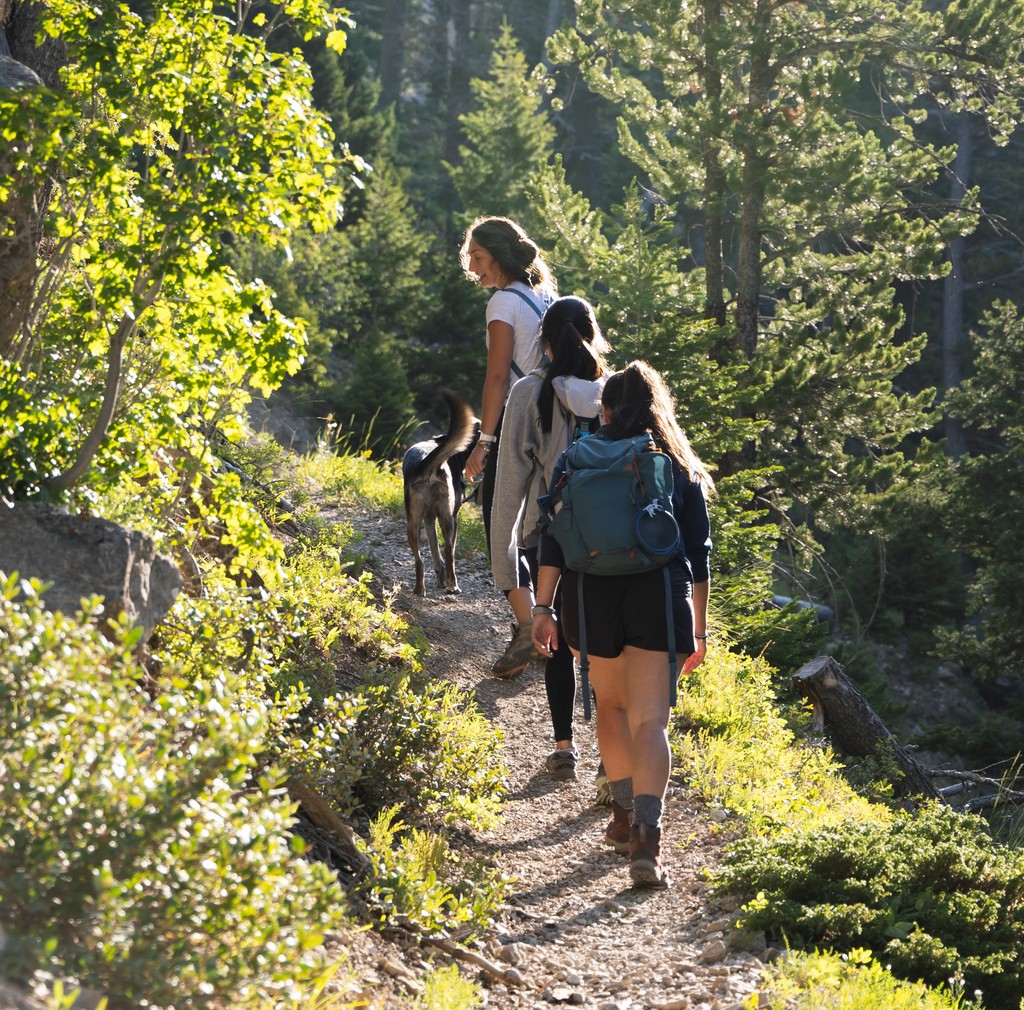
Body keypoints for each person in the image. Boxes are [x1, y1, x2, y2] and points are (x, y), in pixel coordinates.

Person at [531, 361, 713, 887]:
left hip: (590, 597)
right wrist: (698, 631)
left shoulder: (575, 457)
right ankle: (648, 841)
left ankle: (622, 815)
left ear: (604, 408)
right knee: (650, 720)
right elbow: (698, 556)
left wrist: (543, 610)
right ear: (658, 408)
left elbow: (553, 538)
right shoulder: (673, 462)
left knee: (610, 708)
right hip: (657, 594)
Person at [491, 296, 612, 779]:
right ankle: (612, 757)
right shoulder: (613, 390)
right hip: (610, 538)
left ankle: (565, 747)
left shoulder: (529, 392)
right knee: (605, 643)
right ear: (593, 333)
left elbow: (509, 487)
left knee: (555, 637)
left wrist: (506, 563)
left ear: (543, 339)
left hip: (551, 539)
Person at [459, 216, 557, 676]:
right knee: (539, 529)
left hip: (516, 426)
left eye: (477, 257)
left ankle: (527, 630)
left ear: (497, 256)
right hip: (554, 426)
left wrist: (485, 441)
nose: (472, 267)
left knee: (503, 528)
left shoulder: (502, 303)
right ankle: (548, 624)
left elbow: (498, 377)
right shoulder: (545, 297)